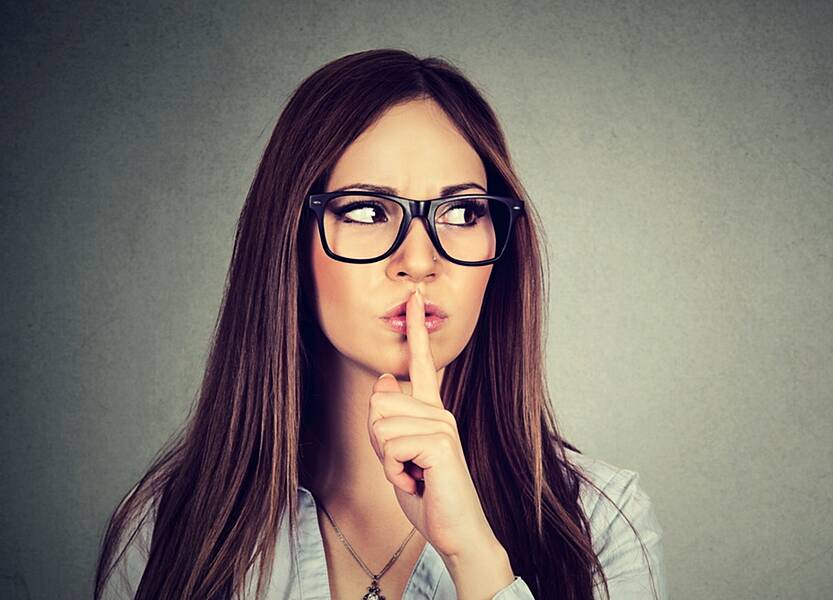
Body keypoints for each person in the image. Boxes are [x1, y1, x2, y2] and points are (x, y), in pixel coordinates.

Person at [94, 49, 666, 600]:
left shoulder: (599, 525)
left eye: (463, 212)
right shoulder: (168, 529)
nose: (419, 260)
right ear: (290, 239)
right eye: (367, 210)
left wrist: (476, 558)